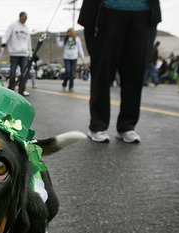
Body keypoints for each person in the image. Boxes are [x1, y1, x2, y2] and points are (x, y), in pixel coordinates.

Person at [78, 0, 161, 143]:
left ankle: (127, 125)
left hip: (143, 12)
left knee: (135, 72)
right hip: (107, 10)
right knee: (102, 71)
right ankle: (98, 125)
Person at [1, 11, 31, 96]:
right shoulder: (13, 25)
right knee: (13, 72)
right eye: (24, 17)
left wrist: (30, 53)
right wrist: (3, 42)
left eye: (26, 18)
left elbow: (29, 41)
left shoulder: (26, 28)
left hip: (24, 53)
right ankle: (11, 88)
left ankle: (22, 90)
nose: (25, 19)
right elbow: (6, 34)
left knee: (24, 72)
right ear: (20, 16)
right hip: (14, 52)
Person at [56, 28, 85, 92]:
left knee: (72, 73)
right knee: (68, 71)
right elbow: (59, 45)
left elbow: (80, 48)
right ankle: (64, 84)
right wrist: (58, 38)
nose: (67, 33)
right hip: (67, 58)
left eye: (68, 32)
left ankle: (71, 86)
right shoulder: (66, 39)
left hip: (74, 57)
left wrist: (82, 57)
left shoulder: (76, 39)